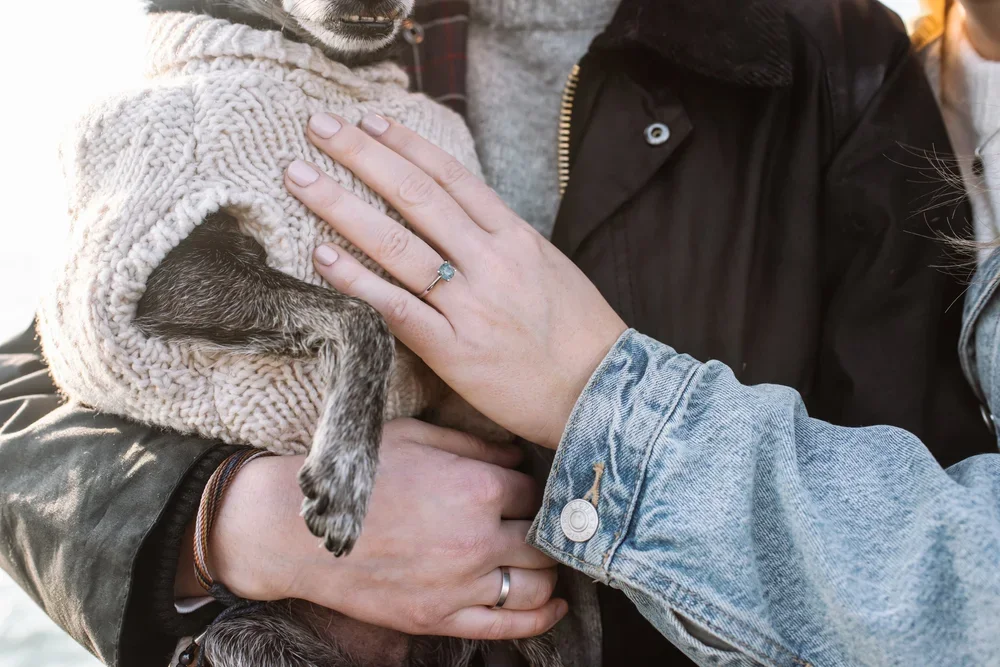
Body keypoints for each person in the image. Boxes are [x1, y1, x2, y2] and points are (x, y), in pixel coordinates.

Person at [1, 0, 997, 665]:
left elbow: (926, 555)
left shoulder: (827, 49)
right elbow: (32, 403)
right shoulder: (290, 33)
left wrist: (599, 399)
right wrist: (234, 522)